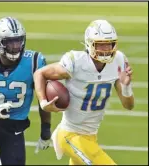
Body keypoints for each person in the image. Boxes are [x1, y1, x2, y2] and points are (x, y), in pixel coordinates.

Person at [33, 20, 134, 165]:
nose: (106, 48)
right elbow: (40, 74)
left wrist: (126, 86)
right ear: (90, 43)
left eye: (109, 43)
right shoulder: (76, 61)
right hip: (69, 135)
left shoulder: (118, 61)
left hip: (91, 136)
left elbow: (128, 106)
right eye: (100, 44)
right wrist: (43, 103)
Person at [0, 17, 51, 165]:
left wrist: (46, 130)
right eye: (9, 42)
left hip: (16, 125)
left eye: (18, 41)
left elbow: (42, 99)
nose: (15, 46)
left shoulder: (34, 63)